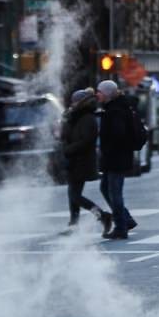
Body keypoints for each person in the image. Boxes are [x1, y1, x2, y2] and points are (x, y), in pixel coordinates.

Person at [60, 88, 112, 234]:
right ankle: (73, 223)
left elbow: (87, 140)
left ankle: (102, 215)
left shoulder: (87, 118)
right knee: (72, 193)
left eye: (75, 101)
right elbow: (65, 135)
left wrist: (68, 149)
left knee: (75, 195)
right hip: (73, 160)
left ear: (81, 102)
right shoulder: (73, 116)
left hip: (82, 160)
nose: (72, 104)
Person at [97, 80, 137, 240]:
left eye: (99, 92)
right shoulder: (114, 108)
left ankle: (121, 226)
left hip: (116, 158)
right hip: (114, 157)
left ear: (106, 93)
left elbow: (118, 134)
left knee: (114, 192)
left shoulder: (115, 110)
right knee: (106, 188)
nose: (97, 95)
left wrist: (108, 149)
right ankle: (126, 219)